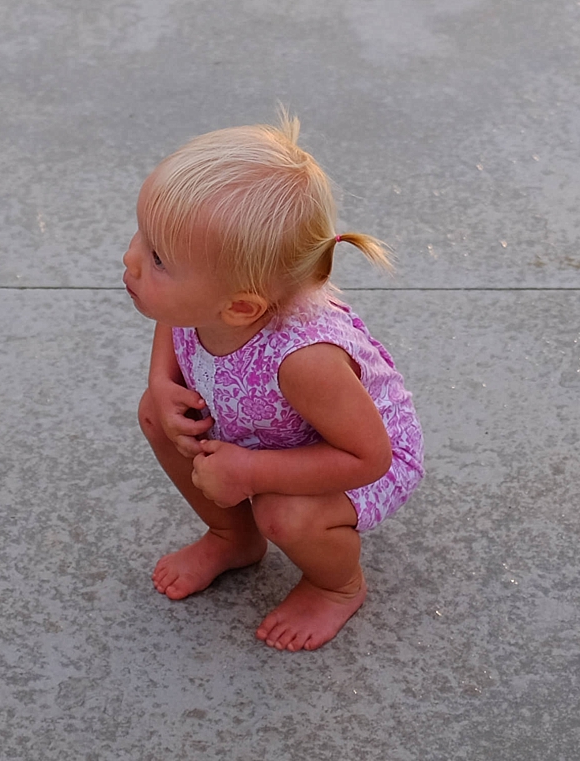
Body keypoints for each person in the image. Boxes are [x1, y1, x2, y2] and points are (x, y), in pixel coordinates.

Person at [122, 115, 424, 652]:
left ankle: (337, 586)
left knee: (283, 512)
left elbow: (369, 457)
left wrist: (251, 470)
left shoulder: (305, 361)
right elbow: (179, 319)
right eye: (142, 237)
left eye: (158, 259)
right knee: (155, 411)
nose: (130, 259)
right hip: (264, 429)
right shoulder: (216, 302)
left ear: (241, 307)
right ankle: (231, 539)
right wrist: (162, 381)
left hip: (350, 456)